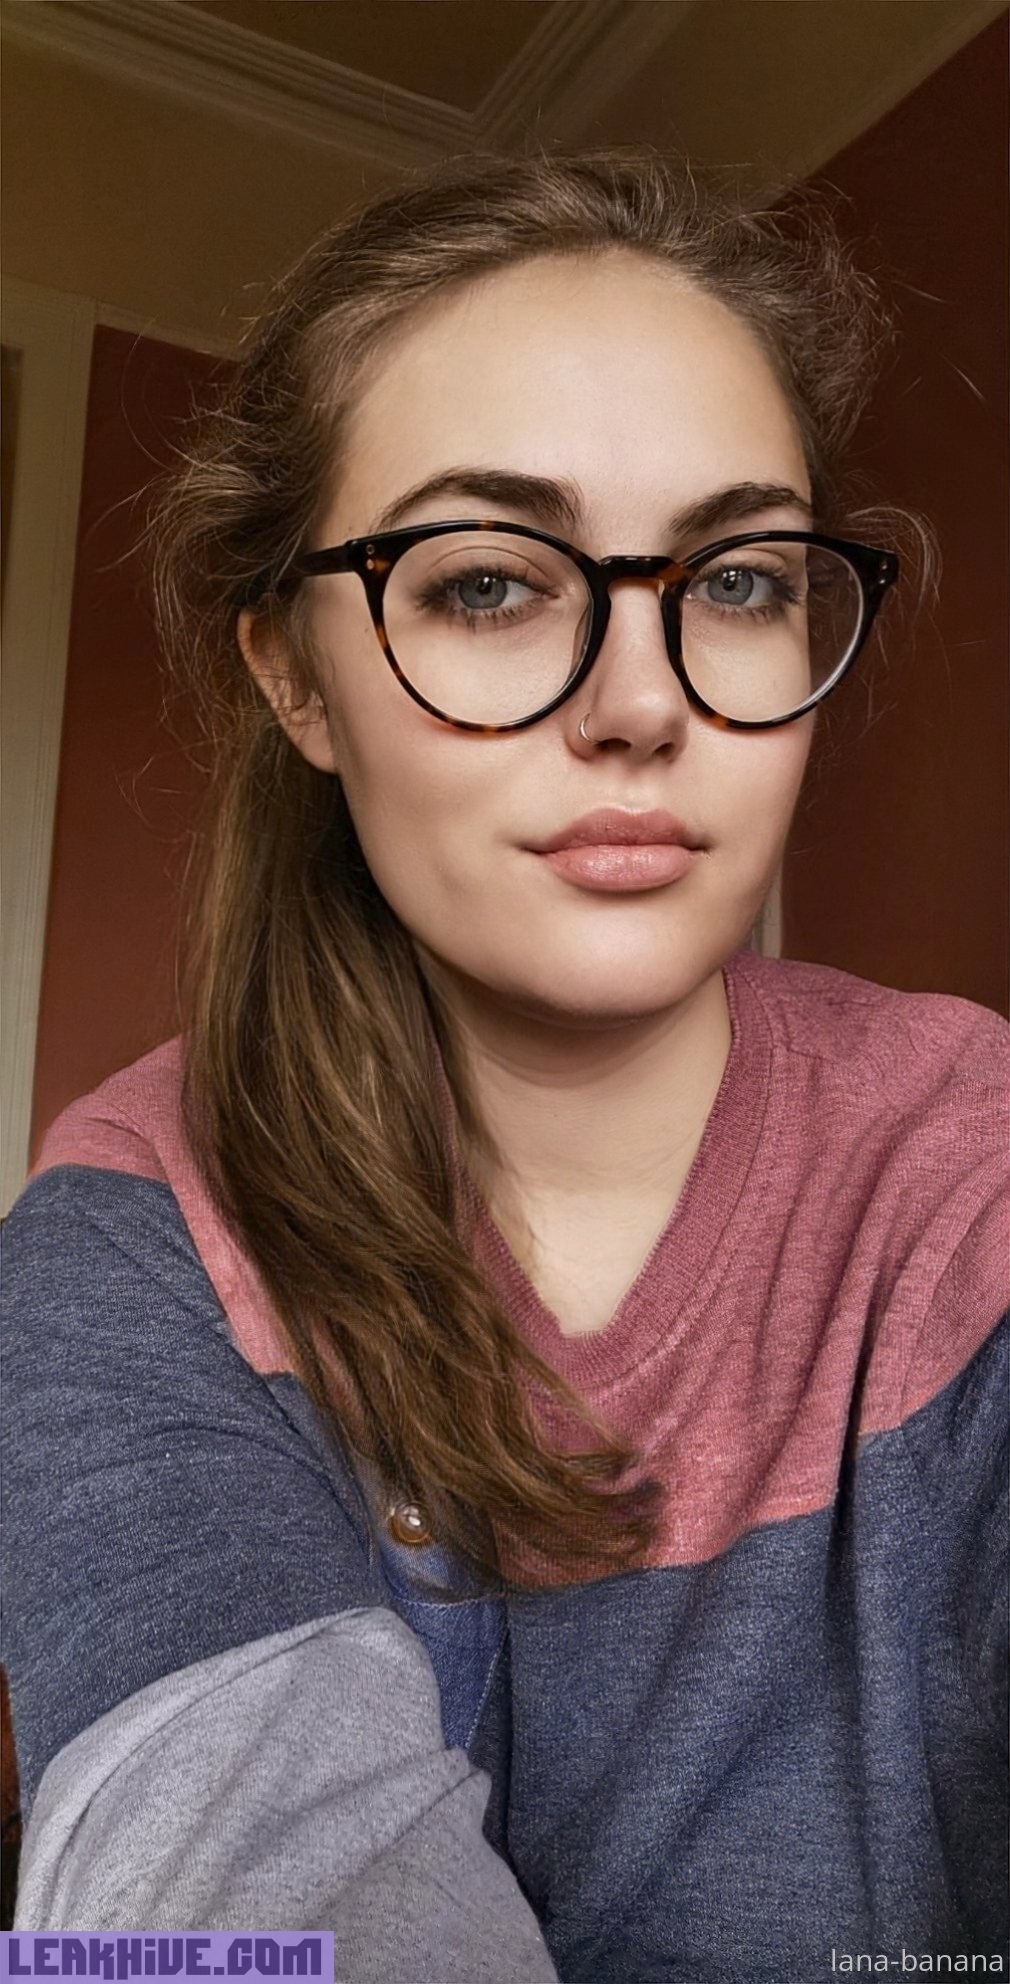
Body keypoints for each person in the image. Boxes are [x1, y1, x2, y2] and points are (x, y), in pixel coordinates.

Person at [2, 147, 1006, 1978]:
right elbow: (203, 1923)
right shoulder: (129, 1240)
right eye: (484, 586)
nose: (640, 700)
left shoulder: (973, 1164)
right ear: (295, 681)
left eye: (736, 579)